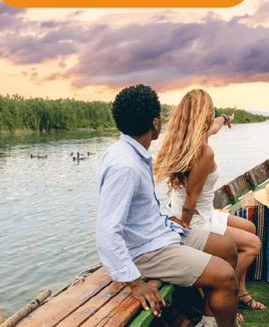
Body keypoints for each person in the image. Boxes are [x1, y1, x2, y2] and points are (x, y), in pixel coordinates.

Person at [95, 84, 240, 327]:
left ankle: (208, 320)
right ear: (155, 123)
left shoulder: (131, 153)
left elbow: (138, 209)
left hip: (160, 234)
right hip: (146, 251)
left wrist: (163, 219)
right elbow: (107, 232)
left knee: (227, 247)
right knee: (225, 277)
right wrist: (135, 283)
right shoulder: (125, 166)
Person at [154, 89, 266, 312]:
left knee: (250, 227)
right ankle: (222, 295)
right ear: (203, 115)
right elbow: (191, 199)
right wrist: (184, 226)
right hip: (192, 218)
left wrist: (225, 119)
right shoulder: (204, 152)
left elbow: (214, 126)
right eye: (211, 110)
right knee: (253, 245)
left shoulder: (191, 137)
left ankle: (240, 291)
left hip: (204, 212)